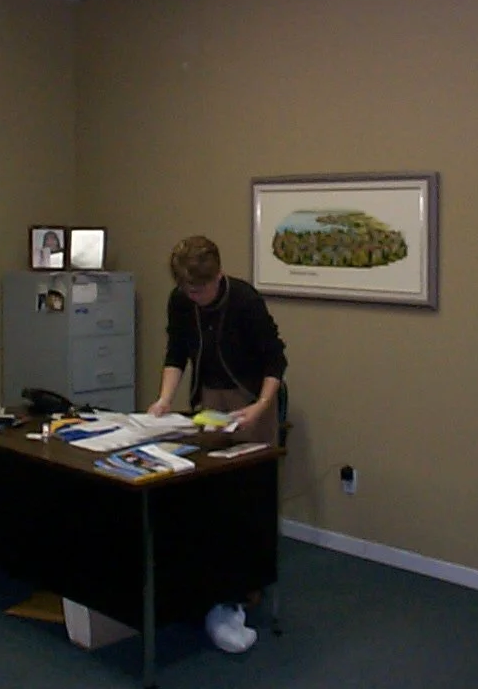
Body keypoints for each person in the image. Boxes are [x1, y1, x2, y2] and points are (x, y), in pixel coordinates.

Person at [148, 235, 287, 652]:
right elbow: (177, 352)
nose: (194, 297)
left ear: (218, 276)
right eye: (188, 290)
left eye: (200, 289)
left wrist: (262, 406)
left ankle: (249, 583)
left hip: (251, 400)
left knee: (250, 497)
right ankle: (211, 581)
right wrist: (164, 398)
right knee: (211, 494)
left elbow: (274, 359)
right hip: (209, 401)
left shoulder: (244, 300)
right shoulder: (180, 301)